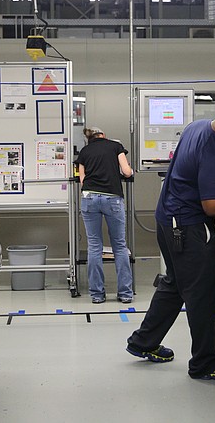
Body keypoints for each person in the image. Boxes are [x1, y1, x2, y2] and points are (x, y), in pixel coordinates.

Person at [126, 94, 215, 381]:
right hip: (188, 228)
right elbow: (213, 207)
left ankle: (143, 342)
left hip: (167, 219)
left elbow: (189, 170)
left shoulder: (197, 127)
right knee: (203, 295)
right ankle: (204, 362)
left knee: (175, 285)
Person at [75, 126, 134, 304]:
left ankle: (97, 295)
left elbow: (82, 179)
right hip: (112, 198)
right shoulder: (115, 146)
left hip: (89, 198)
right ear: (104, 135)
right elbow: (127, 172)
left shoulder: (84, 152)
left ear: (89, 138)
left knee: (94, 246)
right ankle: (125, 293)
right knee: (119, 246)